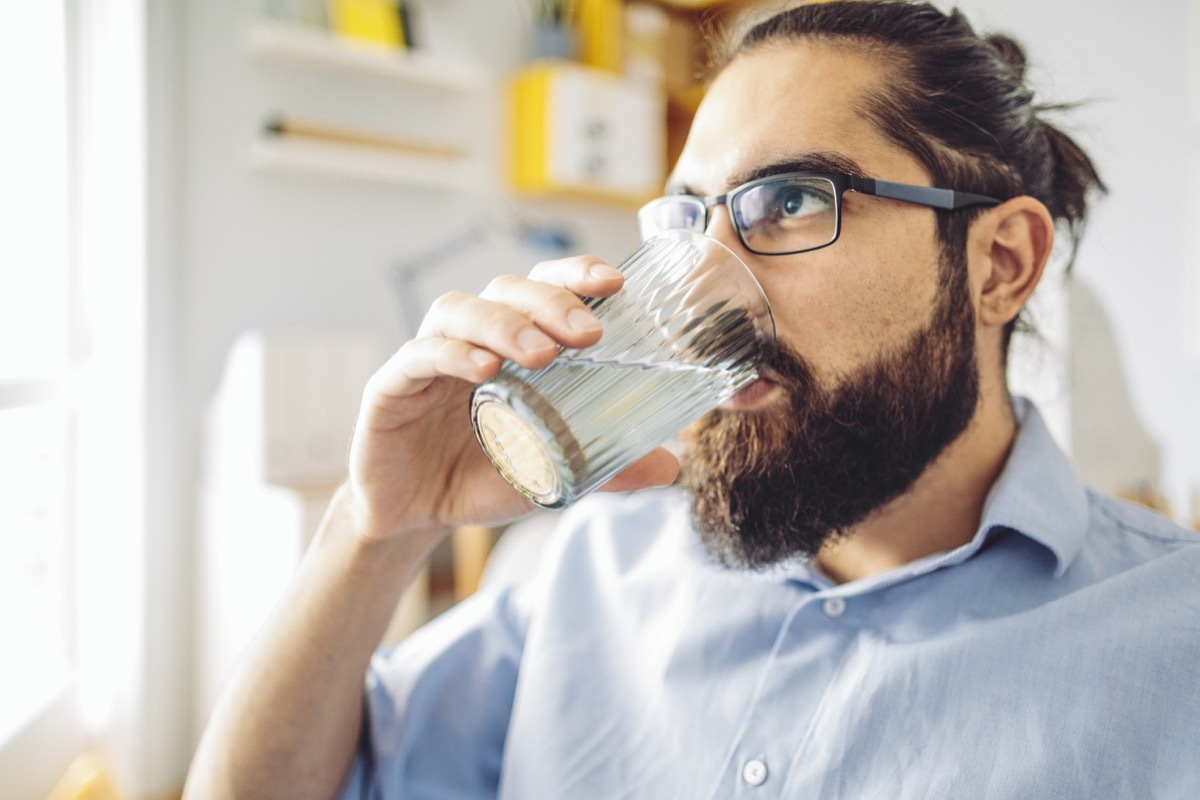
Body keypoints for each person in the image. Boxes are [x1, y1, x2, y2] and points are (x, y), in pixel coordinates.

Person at [184, 1, 1200, 798]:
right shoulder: (591, 570)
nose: (701, 289)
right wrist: (375, 526)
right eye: (685, 222)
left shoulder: (1175, 643)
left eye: (791, 200)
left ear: (999, 264)